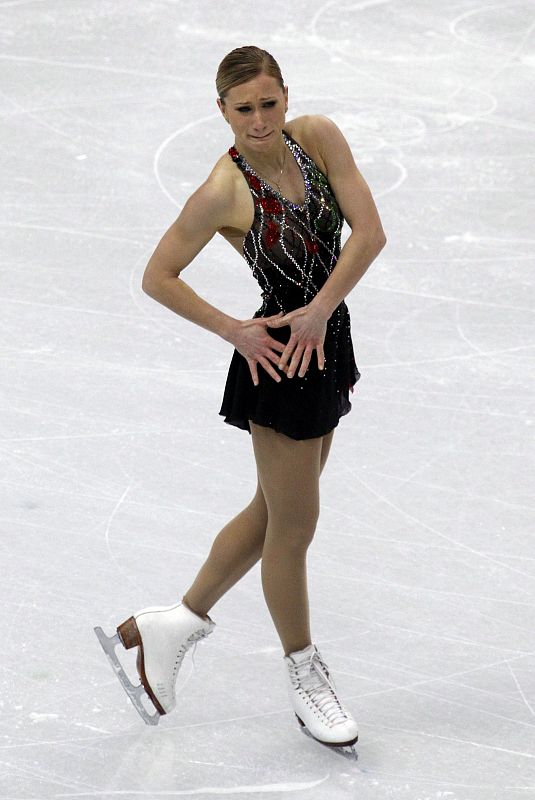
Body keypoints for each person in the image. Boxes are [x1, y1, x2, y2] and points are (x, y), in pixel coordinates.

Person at [94, 45, 386, 754]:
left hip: (325, 341)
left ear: (286, 96)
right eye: (242, 109)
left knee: (271, 514)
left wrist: (322, 310)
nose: (258, 120)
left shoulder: (317, 137)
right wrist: (232, 329)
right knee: (294, 527)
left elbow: (370, 234)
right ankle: (304, 674)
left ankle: (174, 624)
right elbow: (158, 275)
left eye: (268, 103)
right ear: (221, 110)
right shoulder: (222, 191)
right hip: (279, 361)